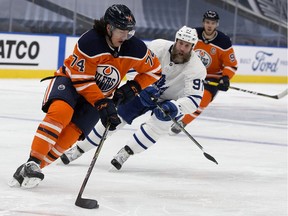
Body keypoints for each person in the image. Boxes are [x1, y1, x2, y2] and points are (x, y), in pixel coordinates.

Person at [9, 4, 162, 188]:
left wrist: (134, 87)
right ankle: (33, 160)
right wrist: (103, 103)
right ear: (109, 27)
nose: (125, 36)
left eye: (129, 31)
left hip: (99, 97)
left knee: (69, 137)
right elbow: (82, 80)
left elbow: (155, 70)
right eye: (121, 31)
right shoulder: (90, 42)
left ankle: (32, 167)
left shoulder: (135, 48)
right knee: (61, 113)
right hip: (70, 82)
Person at [60, 26, 207, 170]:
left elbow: (194, 100)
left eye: (187, 45)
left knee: (158, 126)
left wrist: (176, 107)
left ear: (193, 47)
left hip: (170, 101)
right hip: (144, 91)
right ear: (175, 40)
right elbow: (133, 66)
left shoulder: (196, 68)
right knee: (114, 117)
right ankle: (79, 149)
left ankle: (126, 152)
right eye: (180, 43)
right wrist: (140, 86)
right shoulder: (158, 46)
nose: (182, 48)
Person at [170, 10, 238, 134]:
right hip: (190, 72)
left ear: (217, 24)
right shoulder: (193, 35)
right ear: (203, 22)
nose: (209, 25)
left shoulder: (224, 41)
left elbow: (231, 65)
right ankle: (166, 116)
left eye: (212, 23)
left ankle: (182, 122)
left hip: (211, 78)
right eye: (207, 22)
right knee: (173, 93)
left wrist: (226, 78)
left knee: (203, 99)